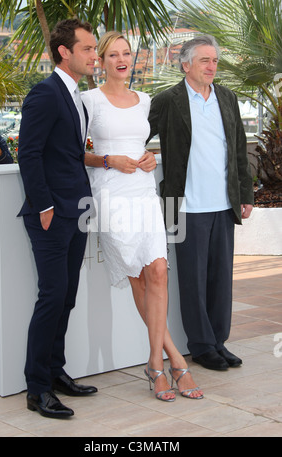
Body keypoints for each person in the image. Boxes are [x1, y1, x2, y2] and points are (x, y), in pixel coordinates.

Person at [82, 31, 203, 402]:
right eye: (113, 54)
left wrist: (150, 157)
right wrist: (107, 159)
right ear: (101, 61)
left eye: (126, 54)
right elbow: (76, 152)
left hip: (144, 191)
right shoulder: (88, 101)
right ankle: (174, 362)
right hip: (111, 195)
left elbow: (141, 144)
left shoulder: (144, 100)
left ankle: (155, 363)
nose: (122, 59)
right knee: (139, 279)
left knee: (159, 271)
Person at [148, 35, 254, 371]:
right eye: (205, 61)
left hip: (223, 204)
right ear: (186, 65)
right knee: (191, 281)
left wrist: (245, 194)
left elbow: (238, 149)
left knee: (220, 279)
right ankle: (202, 346)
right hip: (182, 207)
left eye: (215, 61)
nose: (212, 67)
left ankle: (219, 341)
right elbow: (138, 133)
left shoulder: (226, 97)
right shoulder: (168, 100)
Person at [17, 19, 98, 419]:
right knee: (51, 298)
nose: (94, 55)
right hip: (51, 214)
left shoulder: (76, 97)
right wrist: (45, 206)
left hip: (76, 211)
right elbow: (27, 153)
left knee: (65, 297)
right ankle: (36, 388)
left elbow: (69, 154)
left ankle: (55, 371)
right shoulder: (45, 94)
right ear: (65, 51)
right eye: (88, 48)